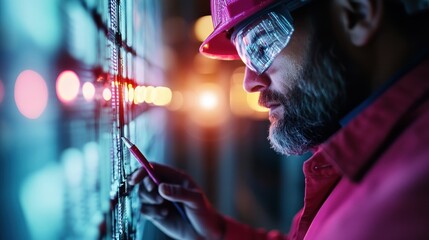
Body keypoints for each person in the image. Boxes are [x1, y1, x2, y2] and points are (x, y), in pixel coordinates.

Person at [129, 0, 429, 239]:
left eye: (260, 43)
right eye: (245, 56)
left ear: (356, 13)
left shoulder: (411, 195)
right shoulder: (366, 153)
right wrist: (217, 234)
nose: (249, 82)